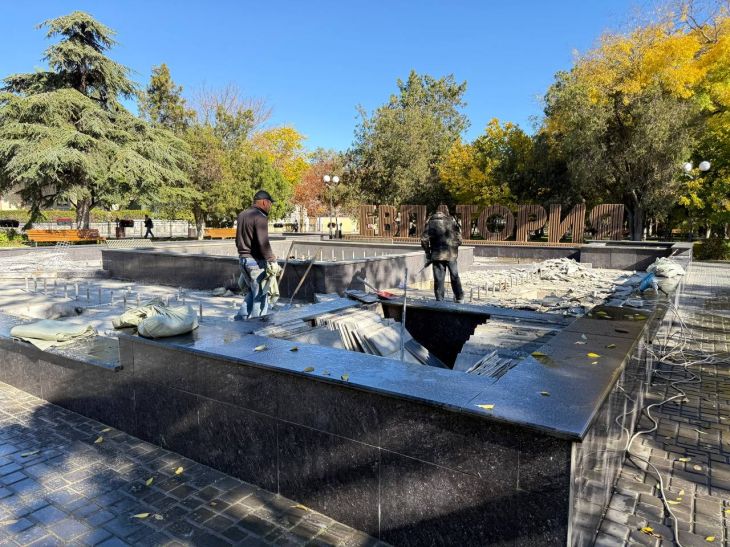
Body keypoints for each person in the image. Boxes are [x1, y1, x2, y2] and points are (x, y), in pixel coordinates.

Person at [235, 190, 277, 319]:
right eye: (270, 203)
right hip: (255, 263)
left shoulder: (242, 215)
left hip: (243, 260)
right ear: (264, 202)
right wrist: (272, 259)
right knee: (260, 296)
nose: (270, 206)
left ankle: (240, 319)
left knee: (252, 292)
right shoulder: (260, 217)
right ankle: (257, 325)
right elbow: (263, 243)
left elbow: (237, 240)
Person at [420, 208, 465, 303]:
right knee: (455, 276)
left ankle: (440, 299)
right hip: (451, 255)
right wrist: (453, 246)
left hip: (437, 255)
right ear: (445, 213)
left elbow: (424, 240)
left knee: (439, 278)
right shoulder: (452, 221)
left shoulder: (430, 223)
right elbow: (460, 240)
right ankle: (459, 297)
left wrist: (428, 253)